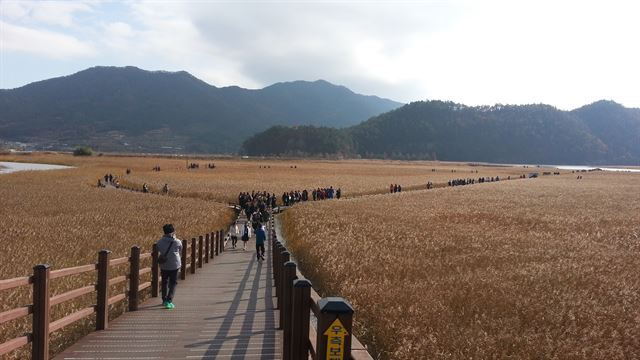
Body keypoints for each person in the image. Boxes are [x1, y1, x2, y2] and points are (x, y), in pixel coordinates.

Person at [156, 224, 182, 309]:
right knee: (173, 283)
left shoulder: (159, 242)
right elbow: (180, 249)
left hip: (164, 265)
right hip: (175, 265)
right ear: (173, 231)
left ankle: (164, 300)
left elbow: (157, 249)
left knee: (164, 282)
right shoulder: (177, 241)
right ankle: (169, 300)